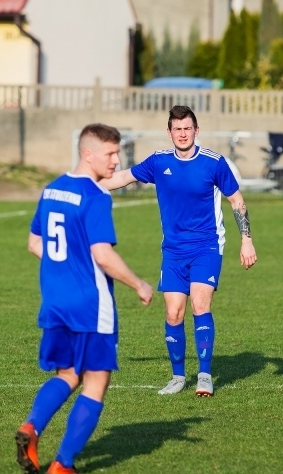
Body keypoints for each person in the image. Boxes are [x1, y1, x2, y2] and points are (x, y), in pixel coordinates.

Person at [16, 123, 154, 474]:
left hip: (55, 301)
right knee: (96, 381)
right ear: (88, 153)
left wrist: (66, 264)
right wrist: (139, 284)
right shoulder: (95, 197)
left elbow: (34, 244)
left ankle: (31, 426)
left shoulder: (51, 190)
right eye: (110, 153)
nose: (116, 160)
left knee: (68, 374)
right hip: (91, 305)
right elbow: (103, 256)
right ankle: (63, 463)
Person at [101, 105, 257, 397]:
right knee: (173, 313)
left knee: (200, 305)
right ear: (169, 132)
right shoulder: (158, 162)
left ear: (196, 131)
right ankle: (177, 377)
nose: (183, 134)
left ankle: (205, 376)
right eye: (177, 129)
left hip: (206, 246)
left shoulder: (214, 163)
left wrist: (246, 240)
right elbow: (122, 178)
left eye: (187, 128)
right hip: (173, 250)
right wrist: (84, 183)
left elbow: (237, 201)